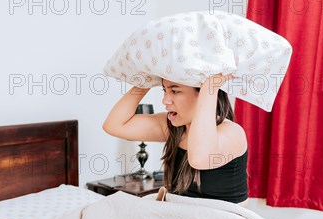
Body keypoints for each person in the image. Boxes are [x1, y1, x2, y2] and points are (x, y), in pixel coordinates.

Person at [103, 74, 249, 206]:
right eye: (164, 90)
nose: (165, 100)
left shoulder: (232, 132)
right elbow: (114, 126)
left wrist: (211, 86)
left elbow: (199, 159)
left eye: (175, 91)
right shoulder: (173, 126)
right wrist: (144, 82)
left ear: (203, 94)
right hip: (182, 218)